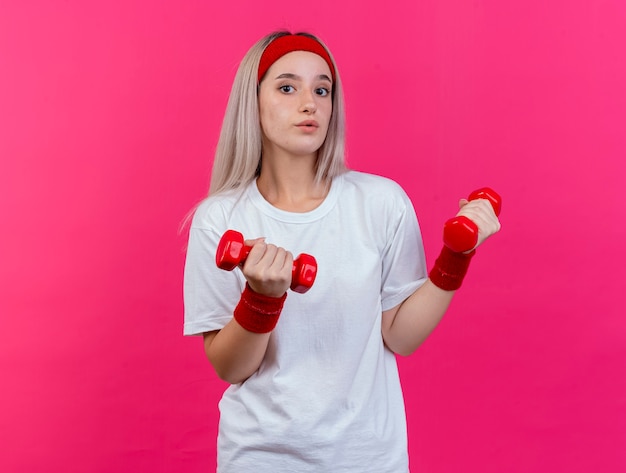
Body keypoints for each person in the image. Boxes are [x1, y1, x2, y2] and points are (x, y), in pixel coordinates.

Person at [183, 30, 501, 472]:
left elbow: (401, 337)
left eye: (322, 89)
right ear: (252, 102)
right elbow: (230, 367)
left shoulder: (381, 202)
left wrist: (456, 256)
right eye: (287, 87)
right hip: (260, 458)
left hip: (368, 457)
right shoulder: (219, 219)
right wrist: (261, 299)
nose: (309, 103)